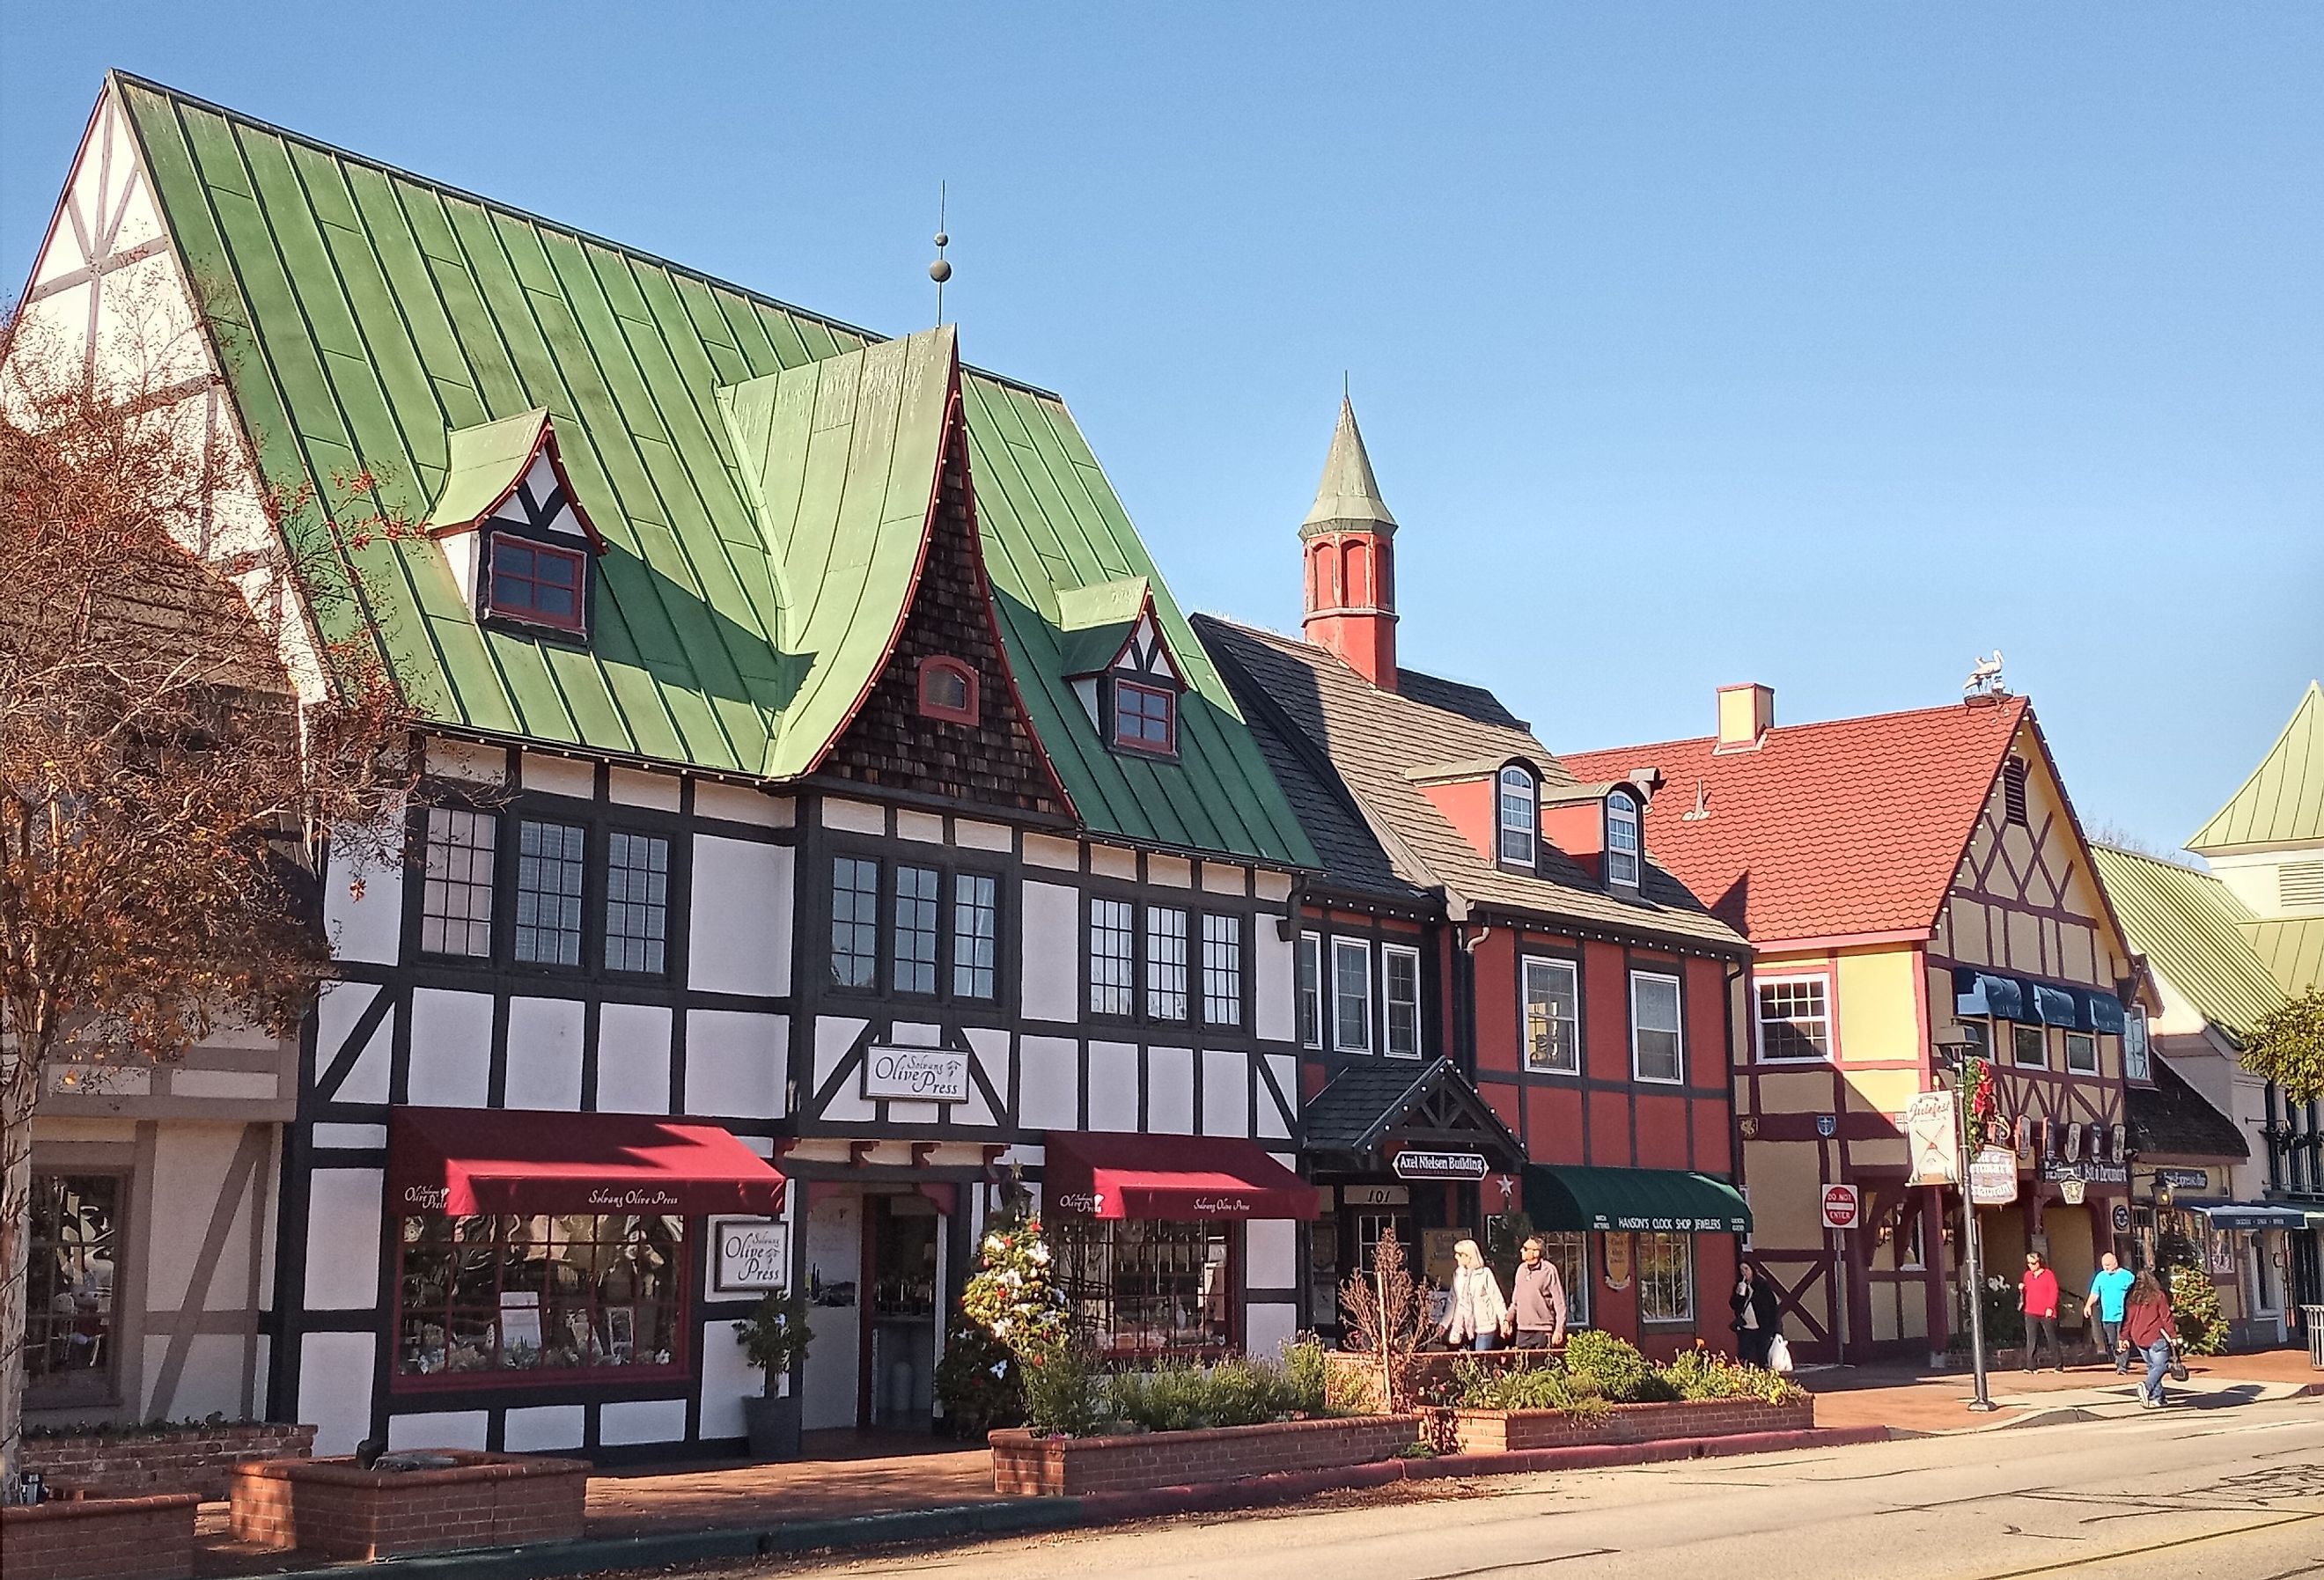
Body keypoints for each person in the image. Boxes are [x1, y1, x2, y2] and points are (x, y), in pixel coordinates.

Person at [2120, 1269, 2181, 1408]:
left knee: (2152, 1367)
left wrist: (2124, 1337)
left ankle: (2158, 1398)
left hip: (2138, 1337)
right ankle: (2146, 1387)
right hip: (2156, 1336)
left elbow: (2127, 1320)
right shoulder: (2158, 1296)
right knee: (2162, 1366)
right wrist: (2173, 1335)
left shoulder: (2132, 1298)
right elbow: (2166, 1317)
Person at [1438, 1238, 1511, 1351]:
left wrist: (1504, 1321)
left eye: (1459, 1254)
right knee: (1466, 1360)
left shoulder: (1485, 1273)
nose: (1456, 1257)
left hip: (1485, 1325)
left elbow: (1496, 1298)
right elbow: (1453, 1300)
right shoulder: (1458, 1274)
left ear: (1469, 1256)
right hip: (1464, 1324)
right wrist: (1444, 1323)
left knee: (1480, 1358)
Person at [1510, 1236, 1568, 1349]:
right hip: (1523, 1330)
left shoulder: (1549, 1270)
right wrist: (1508, 1320)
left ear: (1536, 1252)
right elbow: (1515, 1301)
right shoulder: (1521, 1270)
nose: (1521, 1251)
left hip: (1543, 1330)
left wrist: (1559, 1329)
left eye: (1525, 1249)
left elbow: (1559, 1303)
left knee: (1543, 1365)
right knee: (1522, 1365)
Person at [2083, 1253, 2135, 1374]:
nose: (2106, 1268)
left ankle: (2122, 1366)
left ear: (2115, 1263)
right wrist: (2088, 1305)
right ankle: (2120, 1361)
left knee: (2122, 1339)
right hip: (2108, 1316)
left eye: (2108, 1265)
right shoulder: (2101, 1277)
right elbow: (2095, 1293)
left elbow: (2135, 1292)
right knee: (2112, 1341)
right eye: (2104, 1265)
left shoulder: (2127, 1276)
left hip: (2123, 1314)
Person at [1731, 1261, 1782, 1369]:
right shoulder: (1739, 1285)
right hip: (1746, 1328)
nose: (1744, 1273)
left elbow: (1772, 1307)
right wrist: (1739, 1294)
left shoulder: (1762, 1286)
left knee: (1762, 1356)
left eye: (1746, 1269)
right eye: (1741, 1270)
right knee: (1745, 1355)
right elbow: (1734, 1305)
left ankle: (1763, 1377)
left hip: (1762, 1327)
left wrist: (1777, 1329)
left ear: (1752, 1270)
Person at [2019, 1251, 2063, 1372]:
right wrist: (2022, 1289)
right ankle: (2031, 1366)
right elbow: (2027, 1291)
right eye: (2029, 1263)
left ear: (2040, 1262)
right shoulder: (2027, 1275)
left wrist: (2050, 1307)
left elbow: (2054, 1291)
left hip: (2046, 1312)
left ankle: (2058, 1364)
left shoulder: (2048, 1274)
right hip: (2030, 1310)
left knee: (2051, 1338)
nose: (2031, 1265)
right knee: (2031, 1338)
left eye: (2033, 1263)